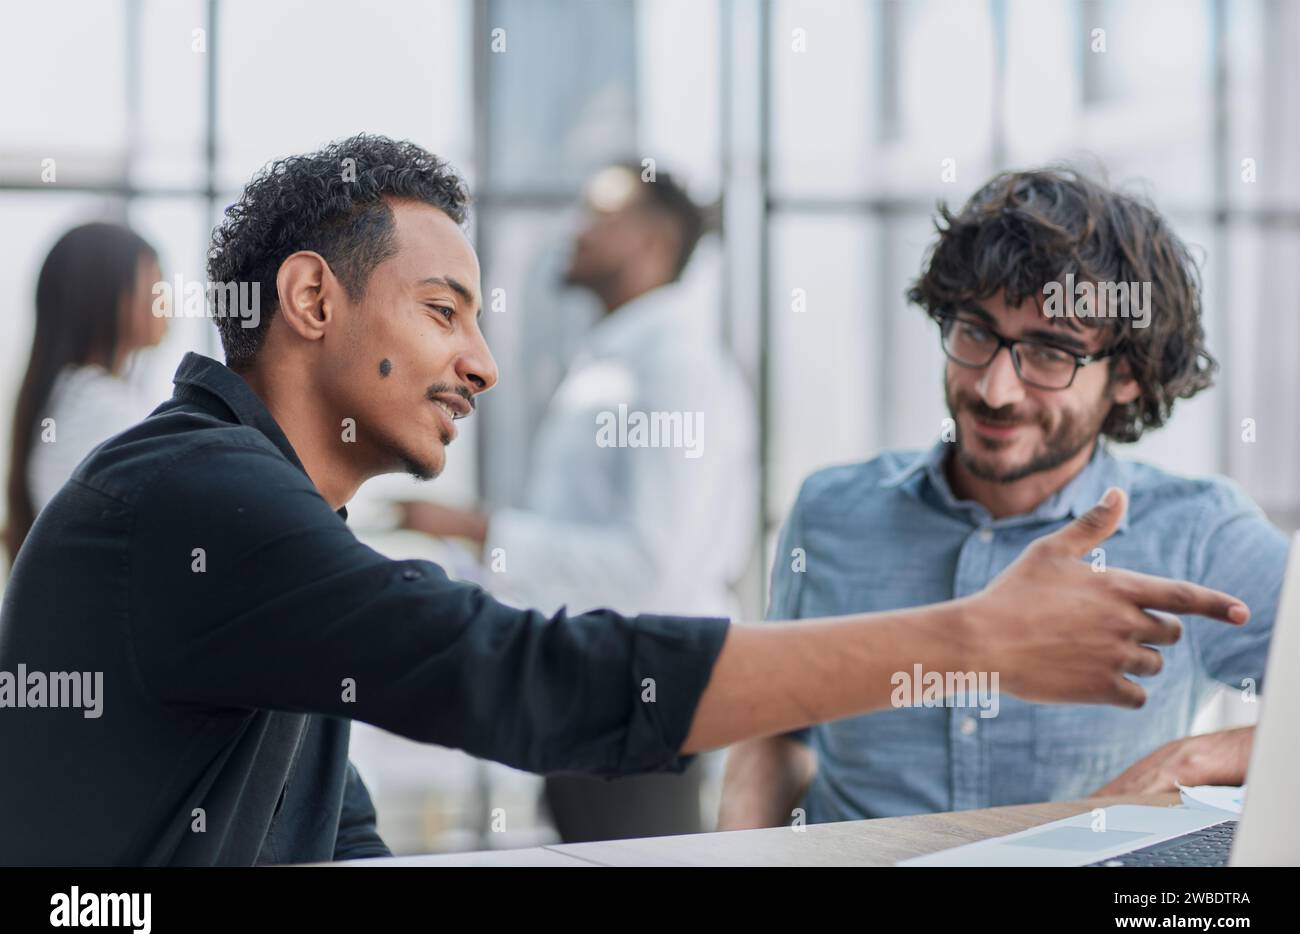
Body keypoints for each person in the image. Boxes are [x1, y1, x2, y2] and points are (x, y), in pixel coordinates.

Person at [0, 138, 1248, 865]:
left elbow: (341, 835)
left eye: (1049, 353)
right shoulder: (198, 499)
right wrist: (970, 642)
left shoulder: (259, 518)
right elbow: (512, 668)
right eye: (444, 312)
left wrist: (1193, 764)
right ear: (314, 301)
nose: (481, 360)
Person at [718, 166, 1286, 830]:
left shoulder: (1201, 535)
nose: (994, 389)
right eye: (976, 332)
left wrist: (1194, 762)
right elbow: (780, 731)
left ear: (1126, 375)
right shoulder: (831, 512)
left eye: (1049, 353)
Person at [398, 163, 756, 840]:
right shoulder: (616, 358)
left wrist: (479, 529)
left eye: (601, 215)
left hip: (639, 692)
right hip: (593, 684)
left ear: (652, 241)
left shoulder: (675, 368)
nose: (577, 229)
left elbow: (652, 565)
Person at [5, 222, 166, 565]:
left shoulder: (67, 395)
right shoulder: (98, 406)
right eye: (154, 280)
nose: (167, 297)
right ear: (108, 293)